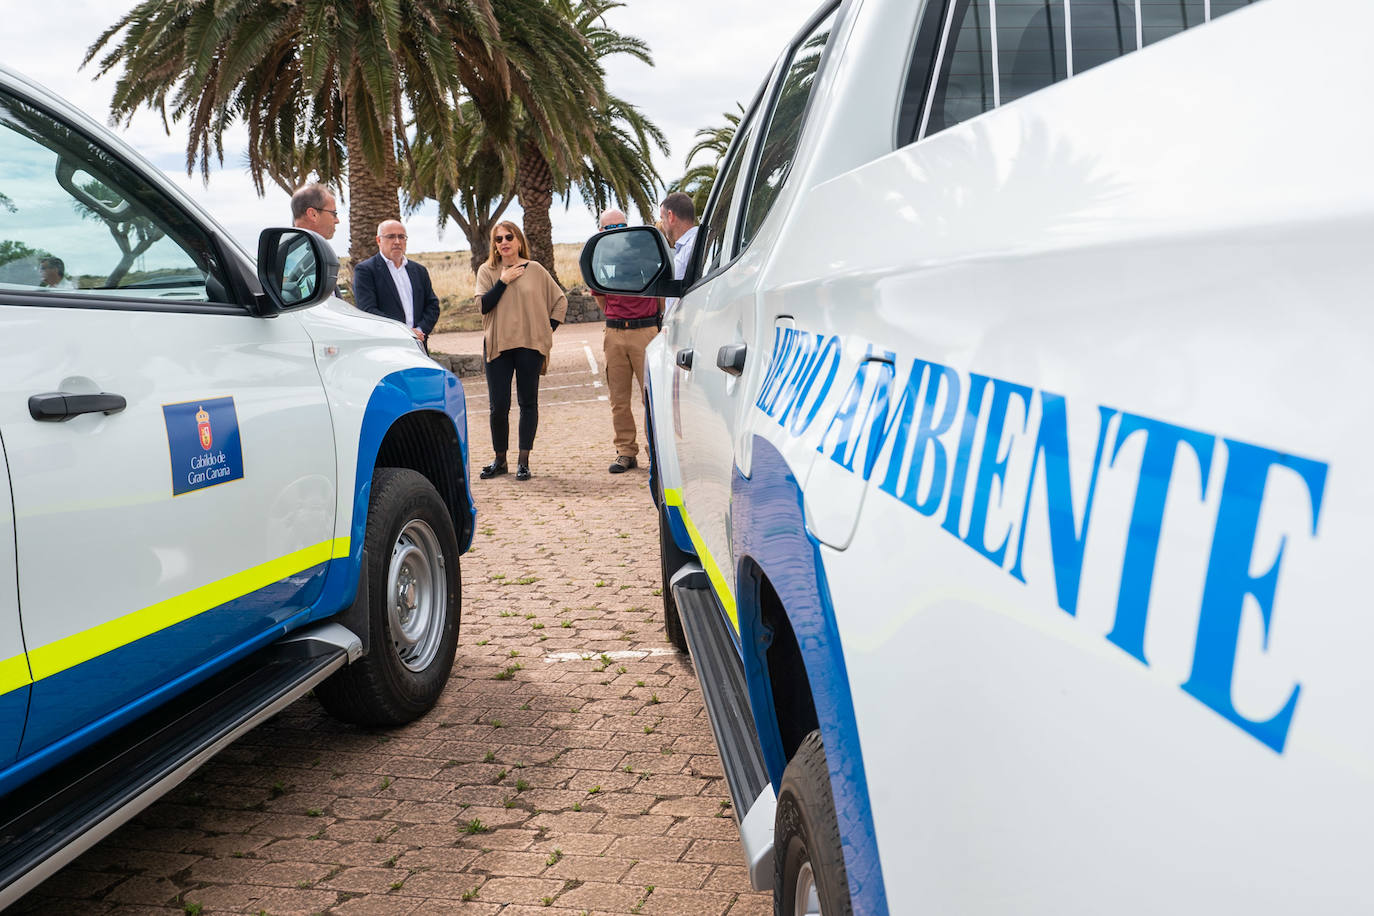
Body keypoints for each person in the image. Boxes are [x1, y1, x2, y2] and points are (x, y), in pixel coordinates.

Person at [474, 221, 567, 482]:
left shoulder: (535, 269)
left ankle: (523, 461)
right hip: (498, 347)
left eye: (509, 237)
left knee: (528, 403)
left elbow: (560, 301)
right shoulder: (487, 271)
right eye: (498, 239)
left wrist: (545, 331)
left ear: (518, 241)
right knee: (498, 406)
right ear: (494, 244)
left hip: (529, 347)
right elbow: (483, 306)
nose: (503, 242)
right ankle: (500, 460)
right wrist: (502, 281)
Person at [590, 209, 660, 474]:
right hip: (615, 332)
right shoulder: (600, 258)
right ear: (601, 231)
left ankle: (655, 450)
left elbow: (659, 291)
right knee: (619, 399)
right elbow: (600, 296)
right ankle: (625, 451)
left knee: (650, 397)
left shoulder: (643, 253)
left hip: (645, 331)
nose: (616, 232)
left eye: (620, 226)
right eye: (609, 228)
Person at [353, 220, 440, 348]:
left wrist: (420, 331)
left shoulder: (419, 270)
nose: (397, 242)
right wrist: (405, 332)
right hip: (387, 346)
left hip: (419, 344)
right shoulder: (366, 270)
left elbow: (432, 305)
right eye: (391, 236)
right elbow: (368, 310)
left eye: (401, 237)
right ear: (378, 240)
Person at [658, 192, 698, 314]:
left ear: (670, 216)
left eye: (662, 218)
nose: (662, 224)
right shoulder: (694, 244)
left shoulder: (690, 248)